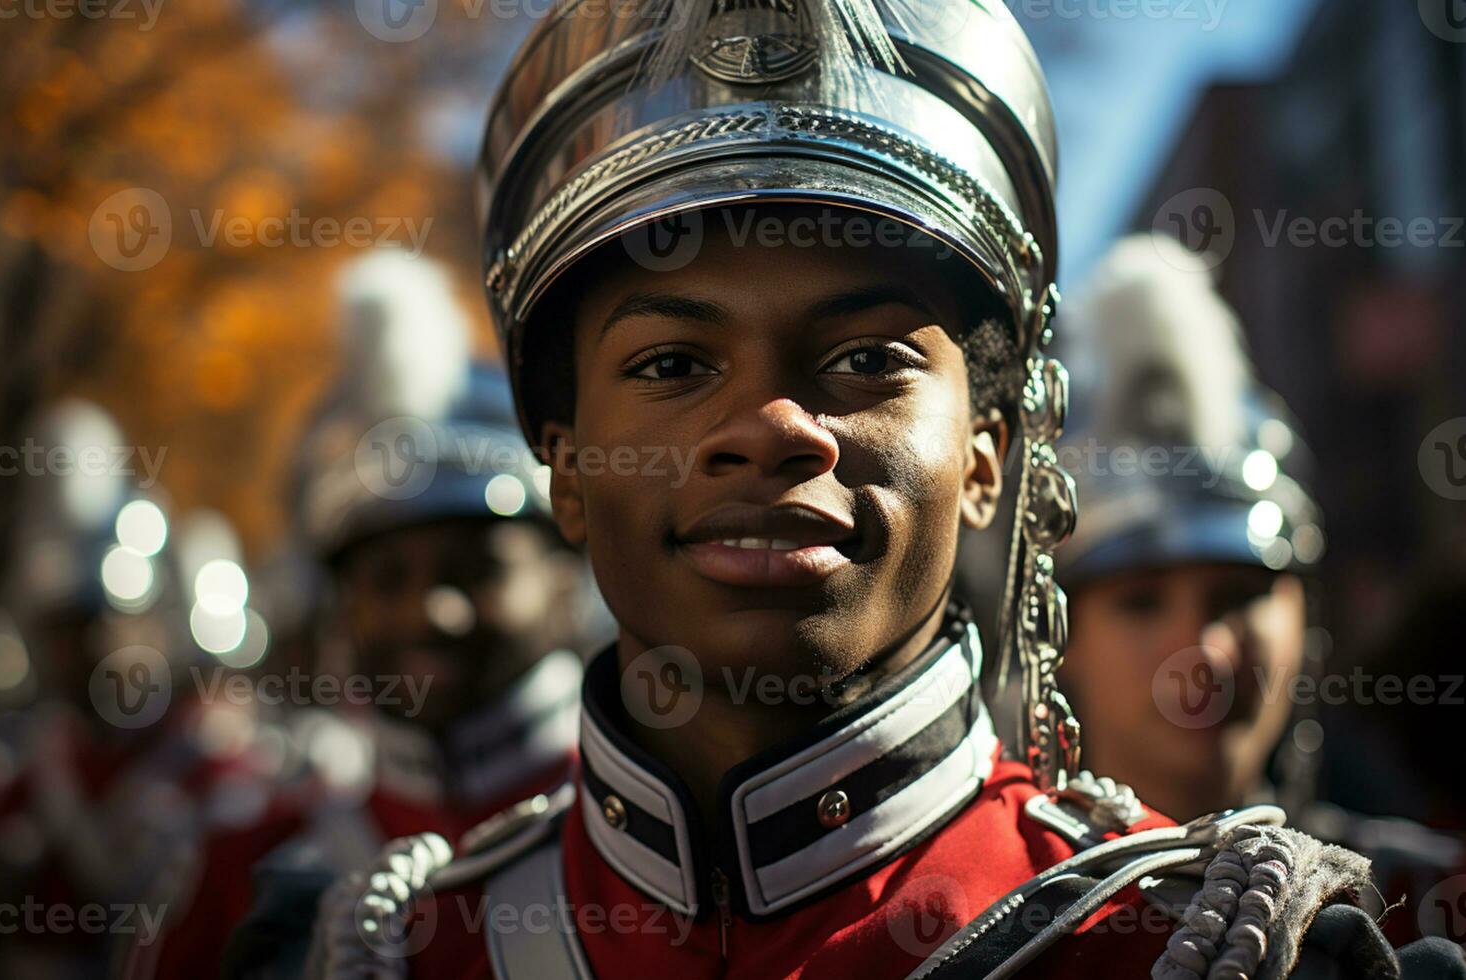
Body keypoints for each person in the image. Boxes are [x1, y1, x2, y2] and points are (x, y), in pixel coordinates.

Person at [299, 2, 1463, 978]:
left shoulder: (1206, 946)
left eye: (865, 359)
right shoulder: (384, 947)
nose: (768, 427)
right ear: (562, 465)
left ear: (992, 448)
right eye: (671, 364)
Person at [137, 252, 598, 979]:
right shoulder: (246, 865)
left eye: (477, 569)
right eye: (385, 577)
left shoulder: (667, 836)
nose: (429, 610)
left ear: (567, 579)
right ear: (341, 607)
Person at [1053, 235, 1466, 947]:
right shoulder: (996, 919)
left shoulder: (1431, 899)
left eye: (1239, 595)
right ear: (1062, 638)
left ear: (1306, 619)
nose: (1203, 651)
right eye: (1142, 600)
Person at [0, 400, 280, 979]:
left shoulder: (226, 780)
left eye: (114, 621)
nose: (97, 648)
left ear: (157, 623)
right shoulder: (25, 787)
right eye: (70, 629)